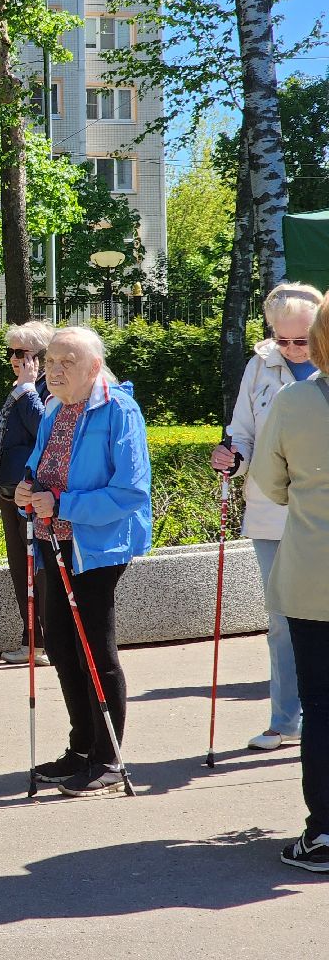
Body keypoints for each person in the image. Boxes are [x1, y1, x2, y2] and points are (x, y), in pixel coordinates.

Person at [15, 326, 151, 798]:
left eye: (65, 362)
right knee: (60, 642)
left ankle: (108, 757)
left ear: (94, 367)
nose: (53, 370)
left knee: (94, 645)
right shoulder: (54, 407)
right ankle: (81, 747)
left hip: (98, 545)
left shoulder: (119, 410)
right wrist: (25, 492)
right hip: (55, 539)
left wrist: (63, 505)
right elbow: (39, 467)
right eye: (50, 361)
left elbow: (130, 492)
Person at [216, 282, 324, 752]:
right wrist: (233, 455)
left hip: (317, 517)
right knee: (280, 619)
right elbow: (243, 431)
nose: (291, 349)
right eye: (282, 340)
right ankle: (286, 720)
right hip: (269, 512)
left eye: (301, 340)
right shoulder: (258, 366)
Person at [248, 294, 329, 872]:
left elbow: (269, 483)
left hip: (314, 577)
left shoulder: (296, 400)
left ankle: (323, 833)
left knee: (321, 706)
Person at [0, 320, 54, 666]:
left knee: (37, 567)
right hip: (10, 490)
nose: (13, 359)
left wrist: (26, 388)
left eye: (21, 353)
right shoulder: (23, 388)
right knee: (20, 566)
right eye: (12, 352)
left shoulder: (45, 389)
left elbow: (42, 430)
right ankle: (31, 639)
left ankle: (45, 640)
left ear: (38, 356)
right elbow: (15, 436)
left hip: (33, 492)